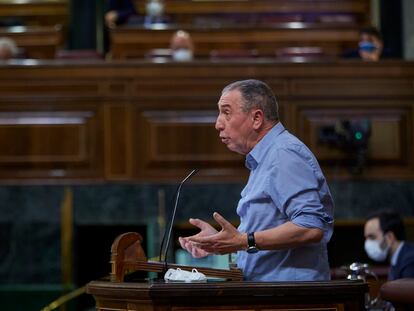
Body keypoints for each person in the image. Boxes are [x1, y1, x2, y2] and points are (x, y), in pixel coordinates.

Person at [179, 79, 334, 281]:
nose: (218, 124)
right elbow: (263, 239)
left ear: (256, 118)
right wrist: (221, 242)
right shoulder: (265, 158)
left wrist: (243, 240)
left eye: (226, 112)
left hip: (292, 298)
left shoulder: (283, 154)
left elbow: (310, 227)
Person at [364, 209, 414, 280]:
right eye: (366, 238)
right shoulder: (397, 257)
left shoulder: (410, 261)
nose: (367, 243)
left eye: (372, 237)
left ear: (390, 237)